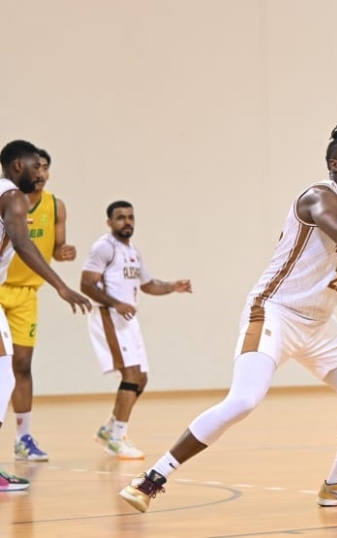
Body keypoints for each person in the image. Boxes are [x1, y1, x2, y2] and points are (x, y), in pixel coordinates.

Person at [119, 126, 337, 513]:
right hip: (276, 310)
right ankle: (151, 478)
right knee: (243, 400)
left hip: (320, 324)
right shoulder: (318, 197)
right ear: (334, 164)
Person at [0, 140, 91, 491]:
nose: (42, 174)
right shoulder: (13, 198)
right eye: (36, 166)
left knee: (10, 370)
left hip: (22, 294)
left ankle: (22, 439)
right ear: (18, 166)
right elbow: (23, 243)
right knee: (5, 374)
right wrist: (61, 286)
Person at [80, 200, 192, 460]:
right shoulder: (103, 247)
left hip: (128, 319)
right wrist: (115, 303)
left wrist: (173, 286)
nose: (127, 222)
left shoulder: (133, 252)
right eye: (120, 217)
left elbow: (148, 284)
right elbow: (86, 284)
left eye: (130, 217)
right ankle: (117, 439)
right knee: (130, 374)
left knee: (141, 378)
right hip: (109, 315)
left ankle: (108, 429)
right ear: (109, 222)